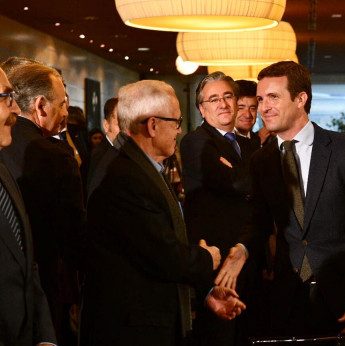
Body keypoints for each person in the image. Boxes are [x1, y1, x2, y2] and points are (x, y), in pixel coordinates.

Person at [216, 61, 345, 338]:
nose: (263, 107)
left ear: (301, 99)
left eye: (273, 97)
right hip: (288, 298)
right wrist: (242, 249)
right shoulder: (262, 159)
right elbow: (260, 221)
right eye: (260, 99)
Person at [80, 79, 245, 346]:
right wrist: (207, 257)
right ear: (153, 125)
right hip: (133, 330)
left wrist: (204, 294)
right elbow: (162, 253)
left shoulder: (138, 166)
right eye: (176, 122)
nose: (179, 131)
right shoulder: (125, 176)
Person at [0, 57, 84, 345]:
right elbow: (74, 242)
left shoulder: (4, 161)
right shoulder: (55, 156)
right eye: (62, 104)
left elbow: (26, 253)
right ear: (41, 105)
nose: (14, 107)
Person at [180, 71, 259, 346]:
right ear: (202, 109)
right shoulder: (195, 142)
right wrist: (251, 180)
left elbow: (254, 190)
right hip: (217, 261)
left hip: (248, 253)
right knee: (219, 337)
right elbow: (236, 183)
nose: (223, 104)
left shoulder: (249, 145)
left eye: (227, 96)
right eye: (214, 99)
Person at [0, 67, 57, 346]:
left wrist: (45, 336)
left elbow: (27, 263)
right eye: (5, 97)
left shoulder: (4, 170)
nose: (14, 107)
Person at [234, 79, 261, 148]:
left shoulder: (256, 139)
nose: (248, 115)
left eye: (252, 108)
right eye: (240, 108)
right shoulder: (221, 142)